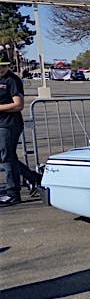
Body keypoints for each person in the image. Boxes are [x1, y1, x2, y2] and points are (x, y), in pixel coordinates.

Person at [0, 52, 25, 206]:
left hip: (9, 124)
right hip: (1, 123)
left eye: (4, 66)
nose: (1, 69)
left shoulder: (12, 80)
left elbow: (18, 104)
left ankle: (13, 192)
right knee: (5, 156)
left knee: (7, 157)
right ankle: (34, 178)